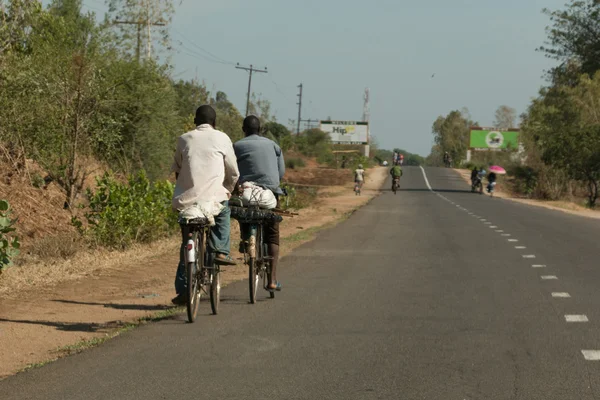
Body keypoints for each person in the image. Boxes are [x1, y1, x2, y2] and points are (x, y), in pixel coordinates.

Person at [171, 105, 240, 305]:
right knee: (224, 210)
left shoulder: (184, 139)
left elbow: (177, 169)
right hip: (214, 200)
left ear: (195, 121)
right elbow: (233, 172)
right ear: (214, 123)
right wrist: (227, 189)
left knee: (186, 243)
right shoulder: (222, 138)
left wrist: (186, 187)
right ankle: (220, 250)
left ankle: (184, 290)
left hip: (188, 202)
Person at [234, 115, 285, 291]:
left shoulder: (237, 146)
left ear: (244, 129)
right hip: (269, 193)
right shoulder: (273, 145)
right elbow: (281, 172)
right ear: (260, 129)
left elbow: (232, 171)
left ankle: (246, 238)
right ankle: (272, 280)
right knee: (272, 233)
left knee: (242, 212)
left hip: (247, 192)